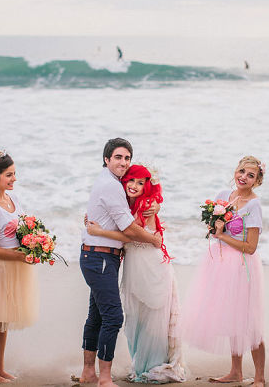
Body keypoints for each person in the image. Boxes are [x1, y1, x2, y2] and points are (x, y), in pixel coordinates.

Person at [87, 164, 186, 383]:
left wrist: (97, 231)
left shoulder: (148, 203)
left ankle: (152, 365)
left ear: (147, 187)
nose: (134, 186)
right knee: (137, 316)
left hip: (151, 266)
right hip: (135, 265)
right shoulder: (125, 202)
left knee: (153, 315)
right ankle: (141, 363)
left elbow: (131, 235)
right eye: (131, 180)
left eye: (140, 183)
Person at [79, 138, 163, 387]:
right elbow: (128, 229)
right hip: (100, 257)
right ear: (107, 159)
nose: (124, 163)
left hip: (99, 256)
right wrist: (153, 240)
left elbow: (124, 223)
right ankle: (104, 378)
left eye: (127, 158)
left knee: (96, 316)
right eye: (118, 157)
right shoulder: (111, 186)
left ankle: (88, 373)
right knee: (113, 317)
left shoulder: (111, 183)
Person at [182, 156, 266, 387]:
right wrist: (215, 229)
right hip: (219, 263)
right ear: (235, 170)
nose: (244, 177)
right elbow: (212, 227)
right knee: (231, 319)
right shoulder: (223, 196)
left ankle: (259, 377)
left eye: (251, 175)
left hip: (242, 266)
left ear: (257, 180)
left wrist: (222, 235)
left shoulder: (254, 205)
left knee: (249, 322)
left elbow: (250, 247)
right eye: (241, 171)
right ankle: (236, 371)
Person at [0, 149, 39, 383]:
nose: (14, 179)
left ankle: (0, 368)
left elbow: (23, 227)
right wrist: (17, 256)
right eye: (9, 175)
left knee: (4, 321)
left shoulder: (13, 199)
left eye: (14, 174)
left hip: (15, 266)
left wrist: (34, 242)